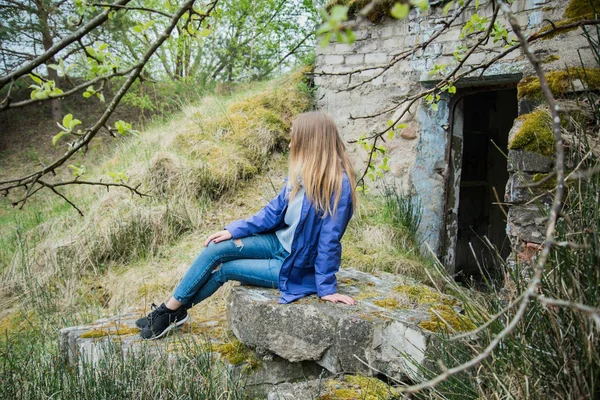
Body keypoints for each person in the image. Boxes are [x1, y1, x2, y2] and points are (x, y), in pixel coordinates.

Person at [137, 111, 358, 340]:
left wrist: (327, 289)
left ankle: (170, 313)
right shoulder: (302, 174)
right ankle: (170, 310)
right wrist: (234, 230)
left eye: (295, 139)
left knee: (226, 270)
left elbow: (329, 241)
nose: (291, 145)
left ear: (312, 142)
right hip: (276, 242)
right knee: (215, 247)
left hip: (293, 264)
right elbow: (271, 213)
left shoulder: (338, 185)